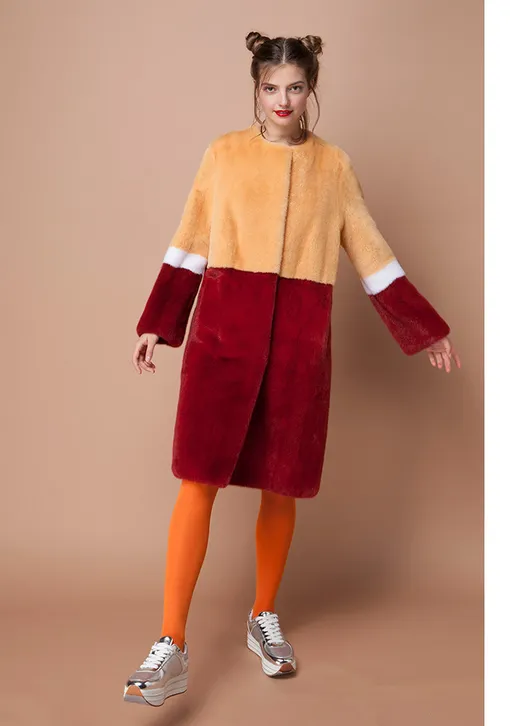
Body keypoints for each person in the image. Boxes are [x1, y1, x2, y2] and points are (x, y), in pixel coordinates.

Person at [123, 31, 461, 707]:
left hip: (297, 350)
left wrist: (424, 329)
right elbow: (191, 239)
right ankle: (170, 645)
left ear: (311, 91)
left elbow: (370, 249)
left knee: (282, 484)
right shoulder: (223, 155)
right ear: (256, 90)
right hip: (223, 343)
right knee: (198, 481)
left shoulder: (333, 167)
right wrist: (160, 322)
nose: (283, 101)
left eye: (296, 88)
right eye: (271, 88)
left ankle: (263, 616)